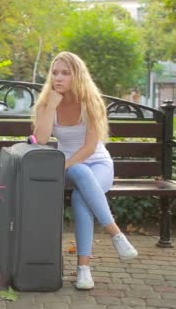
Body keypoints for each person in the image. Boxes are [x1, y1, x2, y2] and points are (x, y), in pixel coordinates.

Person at [32, 51, 138, 290]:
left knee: (81, 195)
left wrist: (63, 165)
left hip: (98, 164)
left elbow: (90, 147)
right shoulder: (46, 102)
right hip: (70, 168)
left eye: (65, 73)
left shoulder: (90, 103)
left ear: (77, 76)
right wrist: (50, 107)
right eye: (55, 72)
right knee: (79, 173)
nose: (58, 78)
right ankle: (115, 234)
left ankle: (84, 270)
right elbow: (40, 140)